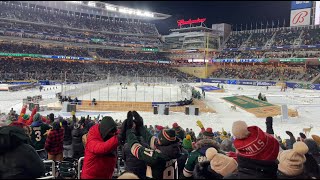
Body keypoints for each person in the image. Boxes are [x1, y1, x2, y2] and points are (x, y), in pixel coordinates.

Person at [125, 111, 182, 179]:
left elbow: (136, 149)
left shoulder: (156, 157)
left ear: (162, 142)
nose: (156, 140)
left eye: (158, 139)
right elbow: (152, 140)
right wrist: (141, 127)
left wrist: (129, 131)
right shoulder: (174, 149)